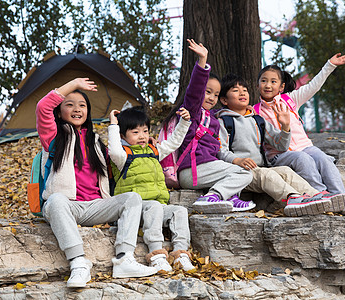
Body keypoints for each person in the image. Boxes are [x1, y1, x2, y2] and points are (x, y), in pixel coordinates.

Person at [36, 78, 157, 288]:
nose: (77, 109)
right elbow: (42, 106)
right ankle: (78, 263)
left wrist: (139, 141)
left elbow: (118, 157)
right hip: (67, 205)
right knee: (54, 201)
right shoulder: (53, 136)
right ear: (58, 112)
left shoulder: (94, 141)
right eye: (69, 104)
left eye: (82, 105)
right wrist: (73, 84)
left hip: (95, 206)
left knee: (132, 199)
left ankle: (124, 259)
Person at [216, 74, 332, 217]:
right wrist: (238, 160)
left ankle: (318, 196)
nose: (242, 93)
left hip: (261, 169)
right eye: (235, 90)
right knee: (267, 174)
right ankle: (292, 199)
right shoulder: (223, 122)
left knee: (285, 171)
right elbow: (221, 151)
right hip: (240, 173)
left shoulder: (258, 120)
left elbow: (281, 145)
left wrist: (285, 127)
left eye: (245, 90)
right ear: (224, 100)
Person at [255, 53, 345, 215]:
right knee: (302, 158)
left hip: (305, 147)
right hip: (280, 155)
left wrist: (330, 64)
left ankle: (341, 196)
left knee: (322, 158)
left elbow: (313, 86)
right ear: (258, 85)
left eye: (273, 81)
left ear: (281, 86)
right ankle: (320, 195)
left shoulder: (290, 100)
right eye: (264, 81)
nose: (268, 85)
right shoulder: (256, 112)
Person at [162, 39, 254, 214]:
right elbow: (194, 91)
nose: (212, 97)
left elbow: (228, 111)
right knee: (244, 173)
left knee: (238, 171)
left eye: (216, 94)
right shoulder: (193, 112)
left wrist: (246, 110)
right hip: (192, 171)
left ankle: (231, 197)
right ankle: (213, 196)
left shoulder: (212, 118)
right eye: (208, 92)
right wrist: (202, 62)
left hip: (206, 168)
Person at [108, 106, 196, 272]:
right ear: (122, 136)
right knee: (154, 206)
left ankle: (181, 254)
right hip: (135, 210)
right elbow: (113, 149)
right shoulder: (122, 156)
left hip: (157, 207)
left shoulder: (154, 151)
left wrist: (184, 122)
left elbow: (174, 142)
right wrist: (113, 125)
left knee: (179, 210)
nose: (142, 136)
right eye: (135, 132)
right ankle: (156, 255)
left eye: (145, 131)